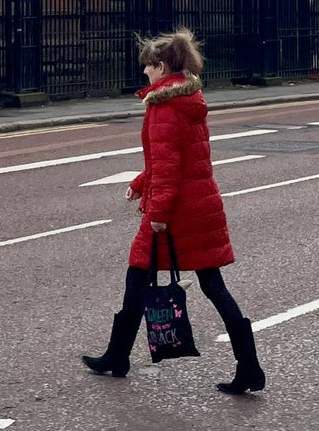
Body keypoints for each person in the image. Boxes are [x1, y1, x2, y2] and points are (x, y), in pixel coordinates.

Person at [81, 28, 266, 395]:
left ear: (162, 67)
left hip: (177, 213)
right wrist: (140, 182)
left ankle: (117, 356)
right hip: (201, 207)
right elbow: (174, 159)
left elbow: (169, 168)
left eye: (148, 66)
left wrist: (158, 212)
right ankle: (249, 366)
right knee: (212, 285)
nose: (144, 72)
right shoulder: (188, 99)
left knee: (137, 274)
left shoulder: (163, 107)